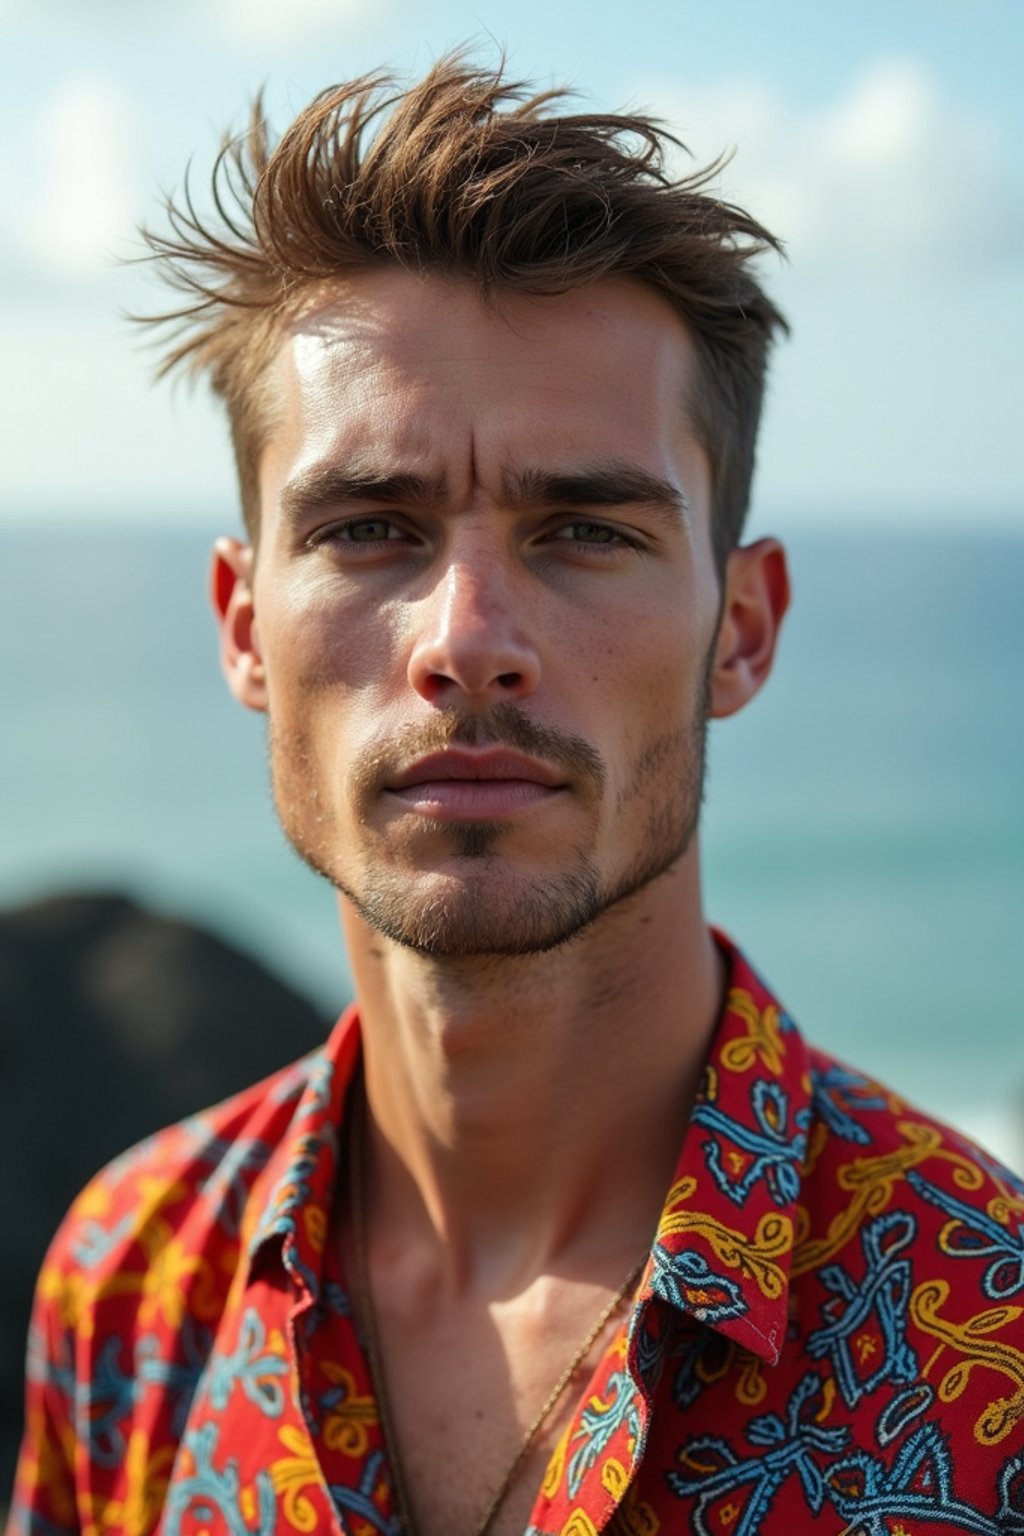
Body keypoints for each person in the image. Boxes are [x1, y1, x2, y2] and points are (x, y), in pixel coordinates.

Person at [8, 56, 1024, 1536]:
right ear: (243, 627)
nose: (467, 640)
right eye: (368, 528)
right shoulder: (134, 1283)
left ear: (740, 630)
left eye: (585, 530)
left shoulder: (984, 1330)